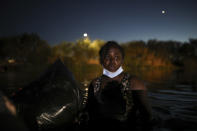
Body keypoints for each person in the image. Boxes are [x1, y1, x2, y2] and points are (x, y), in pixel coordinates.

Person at [83, 41, 153, 131]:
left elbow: (147, 116)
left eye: (117, 57)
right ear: (101, 60)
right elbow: (88, 111)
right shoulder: (95, 83)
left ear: (122, 60)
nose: (112, 61)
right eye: (108, 57)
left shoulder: (134, 82)